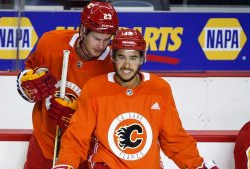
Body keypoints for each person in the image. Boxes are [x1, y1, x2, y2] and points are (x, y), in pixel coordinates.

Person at [52, 28, 219, 169]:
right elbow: (76, 138)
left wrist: (197, 164)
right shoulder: (94, 89)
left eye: (133, 58)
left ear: (142, 59)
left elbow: (174, 139)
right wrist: (66, 164)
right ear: (113, 58)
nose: (126, 65)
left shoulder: (159, 88)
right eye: (121, 57)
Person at [16, 1, 119, 169]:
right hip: (44, 143)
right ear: (83, 30)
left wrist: (78, 119)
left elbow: (115, 116)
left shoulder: (113, 66)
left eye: (107, 40)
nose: (101, 46)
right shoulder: (51, 43)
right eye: (97, 38)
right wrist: (26, 83)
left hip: (84, 149)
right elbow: (27, 75)